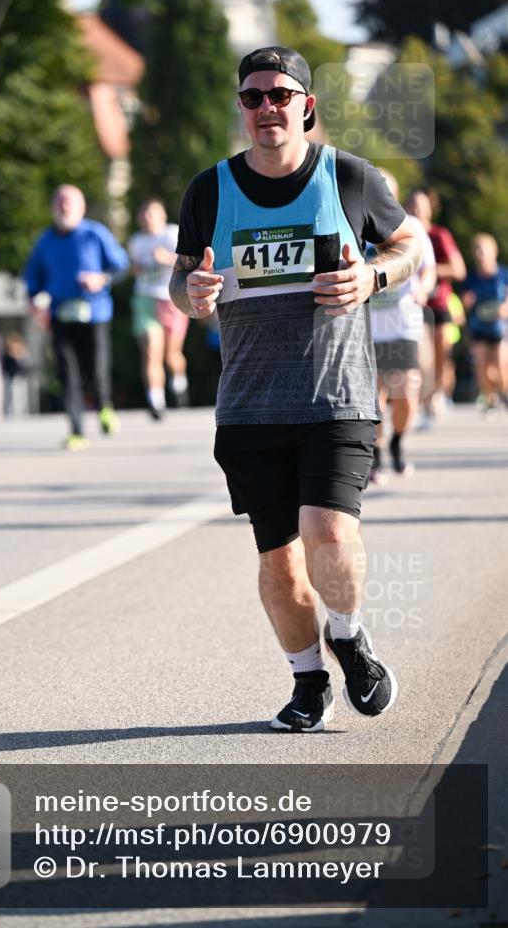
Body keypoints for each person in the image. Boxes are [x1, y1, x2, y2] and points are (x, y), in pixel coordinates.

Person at [170, 46, 421, 732]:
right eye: (251, 97)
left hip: (333, 398)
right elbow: (181, 274)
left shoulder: (347, 177)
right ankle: (307, 681)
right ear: (241, 108)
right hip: (249, 405)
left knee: (329, 533)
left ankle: (346, 631)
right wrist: (188, 291)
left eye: (279, 95)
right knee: (279, 562)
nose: (265, 108)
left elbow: (410, 242)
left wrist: (372, 278)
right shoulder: (209, 190)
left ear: (305, 105)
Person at [23, 185, 128, 449]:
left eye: (69, 203)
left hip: (95, 313)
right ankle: (77, 431)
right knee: (67, 374)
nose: (64, 207)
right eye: (59, 202)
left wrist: (100, 279)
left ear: (81, 208)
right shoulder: (45, 241)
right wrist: (34, 303)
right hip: (60, 314)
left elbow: (121, 266)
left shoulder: (95, 233)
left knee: (97, 368)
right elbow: (32, 280)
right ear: (52, 208)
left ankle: (105, 406)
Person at [368, 170, 436, 483]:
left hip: (403, 322)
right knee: (375, 394)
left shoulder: (413, 227)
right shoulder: (358, 226)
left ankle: (396, 440)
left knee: (406, 390)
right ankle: (377, 454)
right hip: (369, 326)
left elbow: (429, 269)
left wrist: (423, 289)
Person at [407, 189, 466, 426]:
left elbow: (459, 270)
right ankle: (424, 400)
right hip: (414, 304)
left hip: (439, 302)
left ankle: (438, 393)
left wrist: (428, 269)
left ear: (430, 209)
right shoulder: (402, 236)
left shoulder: (439, 235)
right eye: (411, 205)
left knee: (441, 354)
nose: (416, 210)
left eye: (421, 206)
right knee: (422, 358)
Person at [128, 198, 190, 419]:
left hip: (171, 298)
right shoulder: (136, 241)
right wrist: (138, 268)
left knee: (171, 354)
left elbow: (187, 260)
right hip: (145, 298)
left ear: (163, 215)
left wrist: (165, 258)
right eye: (144, 213)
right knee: (151, 352)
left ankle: (179, 381)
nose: (148, 218)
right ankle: (156, 400)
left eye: (152, 213)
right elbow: (135, 270)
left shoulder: (171, 234)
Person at [461, 233, 508, 412]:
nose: (480, 252)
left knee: (500, 366)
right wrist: (467, 302)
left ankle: (503, 391)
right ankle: (490, 398)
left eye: (483, 248)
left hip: (499, 327)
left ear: (493, 251)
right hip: (478, 327)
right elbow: (465, 302)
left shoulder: (503, 275)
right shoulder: (471, 278)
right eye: (477, 249)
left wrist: (505, 308)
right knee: (482, 367)